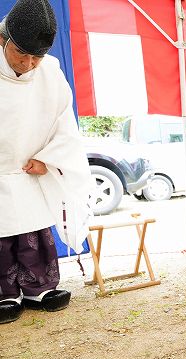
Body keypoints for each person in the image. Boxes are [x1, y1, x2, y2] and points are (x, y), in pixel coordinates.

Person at [0, 0, 92, 324]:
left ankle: (40, 288)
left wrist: (48, 159)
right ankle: (5, 294)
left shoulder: (50, 72)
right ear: (3, 39)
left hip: (31, 170)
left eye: (35, 57)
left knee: (34, 236)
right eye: (20, 54)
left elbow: (65, 125)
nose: (27, 63)